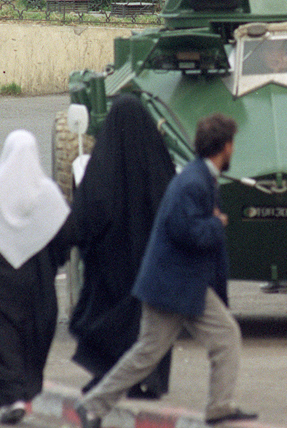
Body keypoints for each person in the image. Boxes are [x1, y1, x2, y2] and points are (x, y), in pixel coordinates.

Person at [75, 114, 257, 428]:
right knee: (149, 353)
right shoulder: (193, 182)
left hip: (184, 285)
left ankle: (219, 406)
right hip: (171, 287)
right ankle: (93, 405)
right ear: (225, 146)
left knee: (221, 338)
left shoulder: (200, 176)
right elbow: (183, 230)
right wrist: (216, 224)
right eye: (233, 145)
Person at [0, 130, 73, 425]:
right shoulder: (48, 196)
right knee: (31, 337)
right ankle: (22, 394)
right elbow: (65, 239)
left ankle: (9, 397)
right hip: (35, 283)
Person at [69, 95, 175, 399]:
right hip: (150, 263)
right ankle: (149, 378)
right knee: (151, 324)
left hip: (110, 264)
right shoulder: (158, 162)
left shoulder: (103, 165)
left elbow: (87, 213)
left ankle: (108, 373)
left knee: (107, 315)